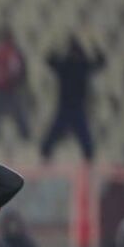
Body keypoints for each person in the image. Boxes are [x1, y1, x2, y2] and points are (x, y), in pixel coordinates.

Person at [40, 34, 106, 162]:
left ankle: (46, 153)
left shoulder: (69, 65)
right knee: (76, 134)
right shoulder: (78, 65)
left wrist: (56, 46)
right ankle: (87, 156)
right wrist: (94, 45)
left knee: (70, 134)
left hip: (70, 106)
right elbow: (101, 62)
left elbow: (49, 59)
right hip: (71, 106)